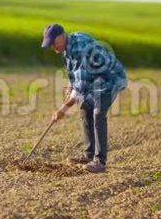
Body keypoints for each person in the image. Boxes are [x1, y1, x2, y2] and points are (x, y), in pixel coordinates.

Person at [41, 23, 127, 173]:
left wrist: (62, 109)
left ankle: (100, 161)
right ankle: (89, 154)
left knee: (98, 113)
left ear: (61, 36)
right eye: (50, 46)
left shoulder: (80, 47)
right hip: (95, 79)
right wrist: (70, 84)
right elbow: (75, 72)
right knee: (85, 107)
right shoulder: (68, 46)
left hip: (109, 79)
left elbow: (80, 87)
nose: (53, 49)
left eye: (53, 43)